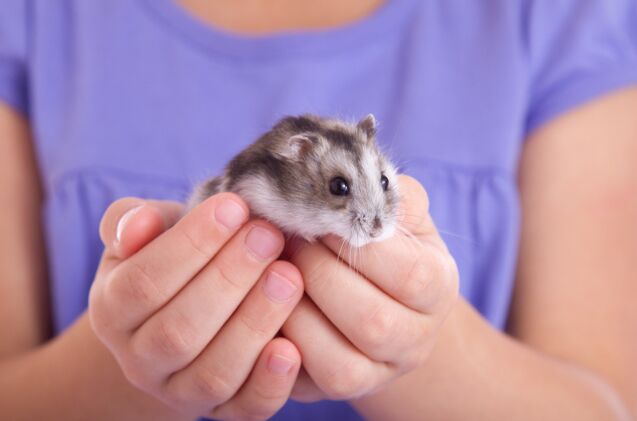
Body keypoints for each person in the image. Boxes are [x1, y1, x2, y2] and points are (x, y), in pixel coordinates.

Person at [1, 1, 636, 420]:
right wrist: (136, 350)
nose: (371, 218)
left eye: (381, 187)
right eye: (339, 192)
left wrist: (420, 345)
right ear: (293, 160)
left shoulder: (563, 16)